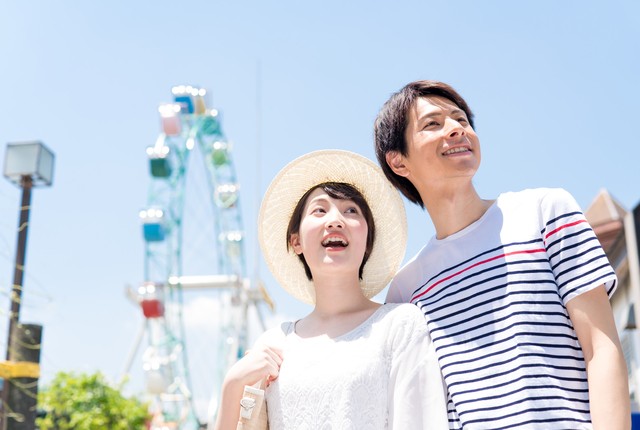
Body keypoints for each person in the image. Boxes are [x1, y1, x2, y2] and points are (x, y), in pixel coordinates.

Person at [373, 80, 631, 430]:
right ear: (398, 161)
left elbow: (601, 348)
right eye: (432, 124)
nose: (456, 129)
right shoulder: (406, 291)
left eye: (461, 120)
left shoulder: (546, 212)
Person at [213, 149, 449, 430]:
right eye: (319, 210)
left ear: (367, 242)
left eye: (351, 211)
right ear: (296, 241)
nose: (335, 220)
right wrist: (232, 384)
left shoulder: (400, 326)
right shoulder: (274, 344)